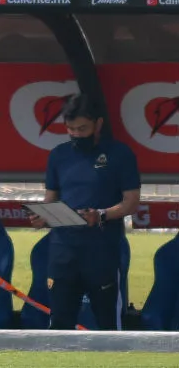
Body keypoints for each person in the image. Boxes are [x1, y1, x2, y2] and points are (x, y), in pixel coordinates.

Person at [29, 94, 140, 330]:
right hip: (63, 251)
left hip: (101, 251)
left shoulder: (120, 154)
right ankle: (61, 367)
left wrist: (100, 215)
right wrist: (43, 217)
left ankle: (111, 367)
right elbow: (50, 200)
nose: (77, 134)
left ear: (98, 123)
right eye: (71, 129)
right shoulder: (58, 155)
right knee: (60, 322)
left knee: (107, 323)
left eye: (82, 128)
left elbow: (131, 202)